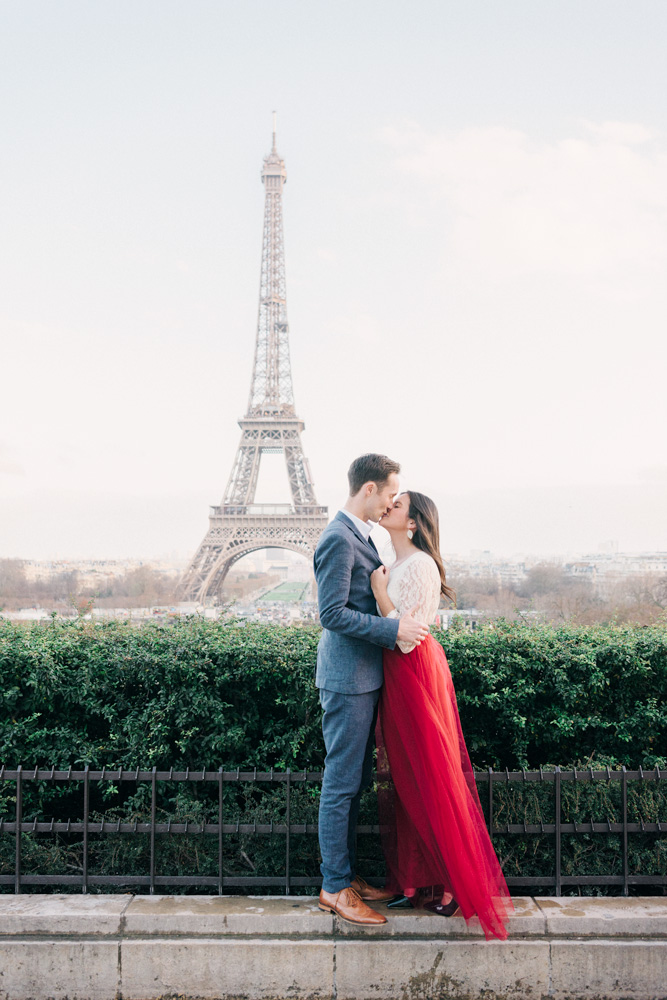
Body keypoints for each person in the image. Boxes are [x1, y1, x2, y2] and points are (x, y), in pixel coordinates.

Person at [370, 491, 513, 941]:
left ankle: (452, 883)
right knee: (408, 777)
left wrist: (377, 591)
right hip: (398, 675)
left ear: (413, 522)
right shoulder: (396, 562)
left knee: (431, 775)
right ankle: (416, 881)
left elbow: (406, 637)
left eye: (398, 503)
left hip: (412, 671)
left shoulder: (420, 566)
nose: (389, 504)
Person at [314, 455, 430, 926]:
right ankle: (335, 888)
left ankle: (344, 875)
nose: (389, 503)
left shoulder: (359, 535)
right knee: (341, 784)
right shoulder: (339, 538)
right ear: (368, 489)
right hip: (348, 680)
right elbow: (332, 614)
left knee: (354, 781)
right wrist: (393, 628)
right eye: (388, 493)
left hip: (363, 677)